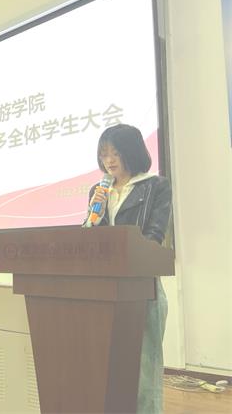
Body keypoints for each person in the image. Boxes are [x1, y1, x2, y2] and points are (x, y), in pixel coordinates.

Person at [86, 123, 171, 414]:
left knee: (145, 367)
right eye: (104, 154)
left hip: (141, 286)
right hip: (106, 288)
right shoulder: (99, 191)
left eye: (115, 153)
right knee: (110, 366)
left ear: (131, 151)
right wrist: (94, 215)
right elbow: (89, 240)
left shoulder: (156, 186)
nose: (108, 160)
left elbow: (155, 234)